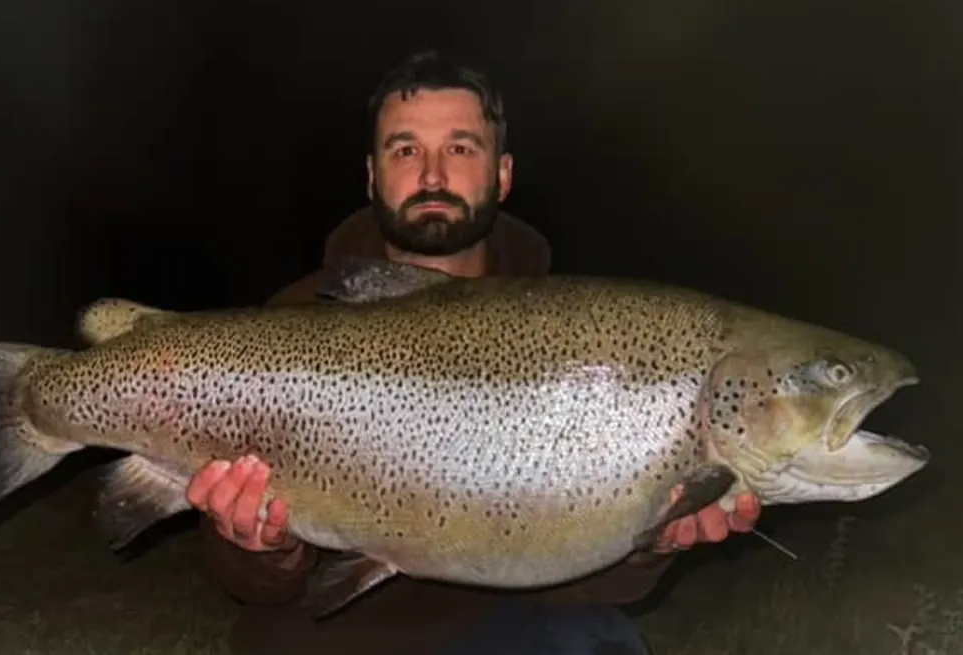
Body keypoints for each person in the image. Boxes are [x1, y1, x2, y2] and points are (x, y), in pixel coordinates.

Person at [185, 50, 762, 654]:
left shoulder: (573, 333)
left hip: (494, 634)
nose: (432, 175)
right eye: (405, 150)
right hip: (328, 641)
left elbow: (580, 583)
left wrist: (655, 541)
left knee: (597, 643)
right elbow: (252, 586)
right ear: (372, 175)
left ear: (503, 174)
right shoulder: (292, 322)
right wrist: (262, 550)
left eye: (460, 148)